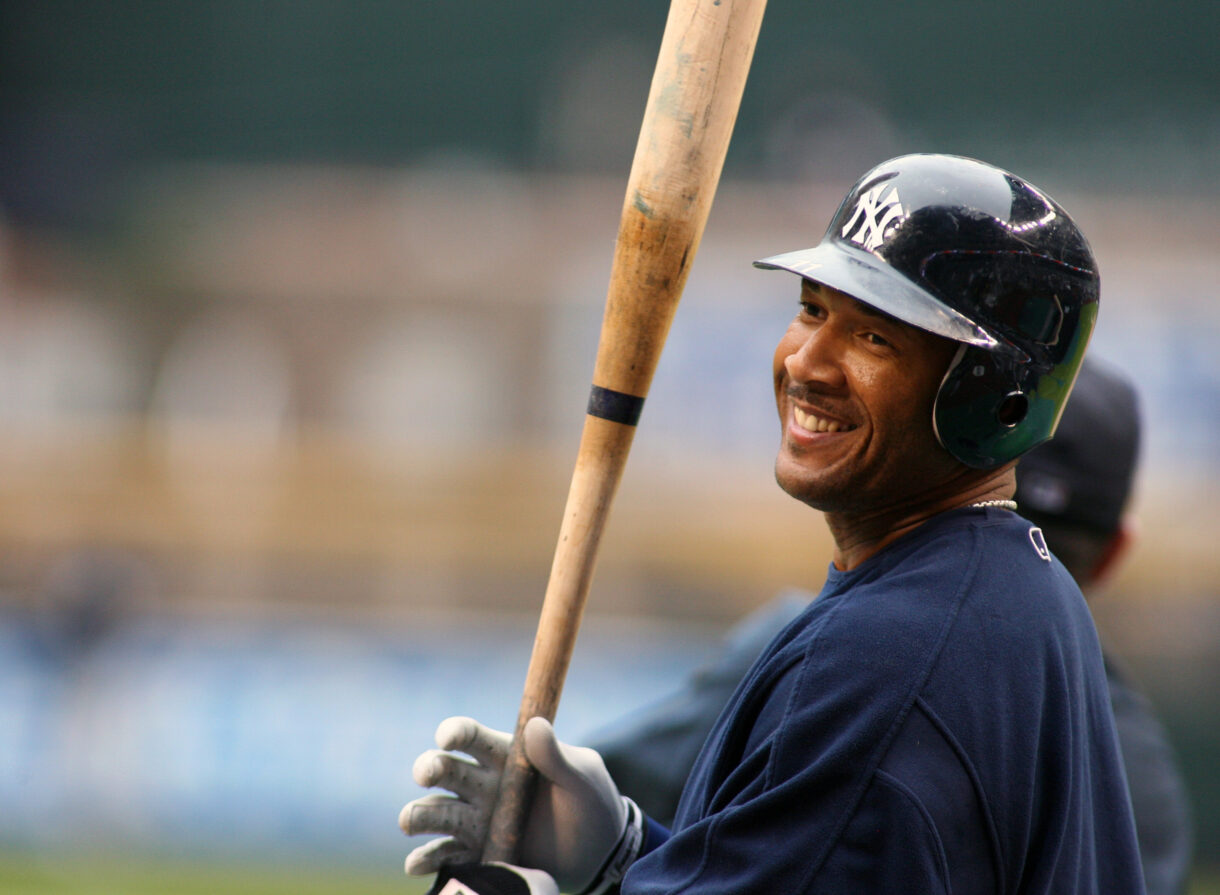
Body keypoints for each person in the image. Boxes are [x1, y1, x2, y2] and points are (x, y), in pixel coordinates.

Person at [399, 154, 1146, 894]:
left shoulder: (884, 656)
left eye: (874, 337)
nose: (807, 362)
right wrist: (624, 860)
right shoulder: (1022, 591)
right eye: (813, 309)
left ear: (990, 396)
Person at [587, 356, 1194, 895]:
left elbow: (583, 795)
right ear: (1115, 552)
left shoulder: (846, 655)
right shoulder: (1140, 769)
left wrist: (611, 855)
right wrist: (634, 852)